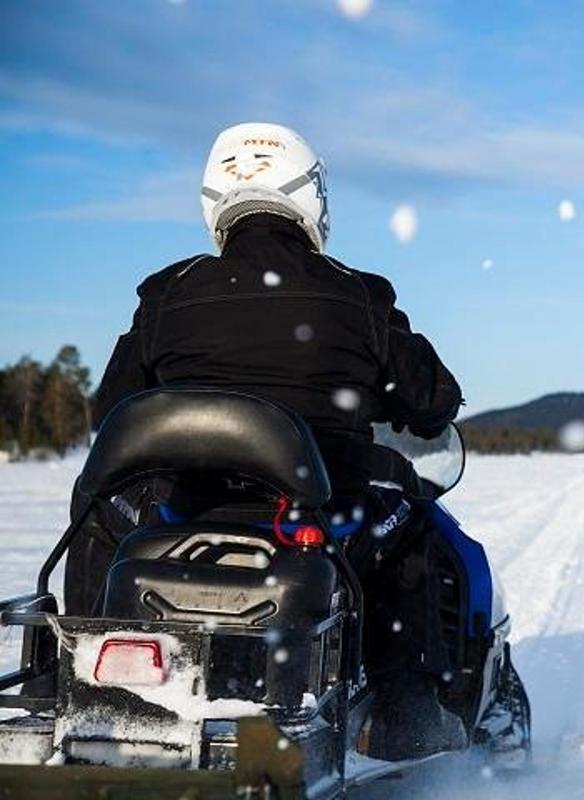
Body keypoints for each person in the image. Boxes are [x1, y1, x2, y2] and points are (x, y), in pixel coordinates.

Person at [65, 122, 473, 758]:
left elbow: (112, 410)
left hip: (185, 511)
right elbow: (434, 400)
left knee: (93, 507)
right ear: (309, 196)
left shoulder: (170, 292)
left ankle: (73, 673)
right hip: (319, 517)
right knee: (415, 519)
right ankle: (406, 711)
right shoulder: (357, 294)